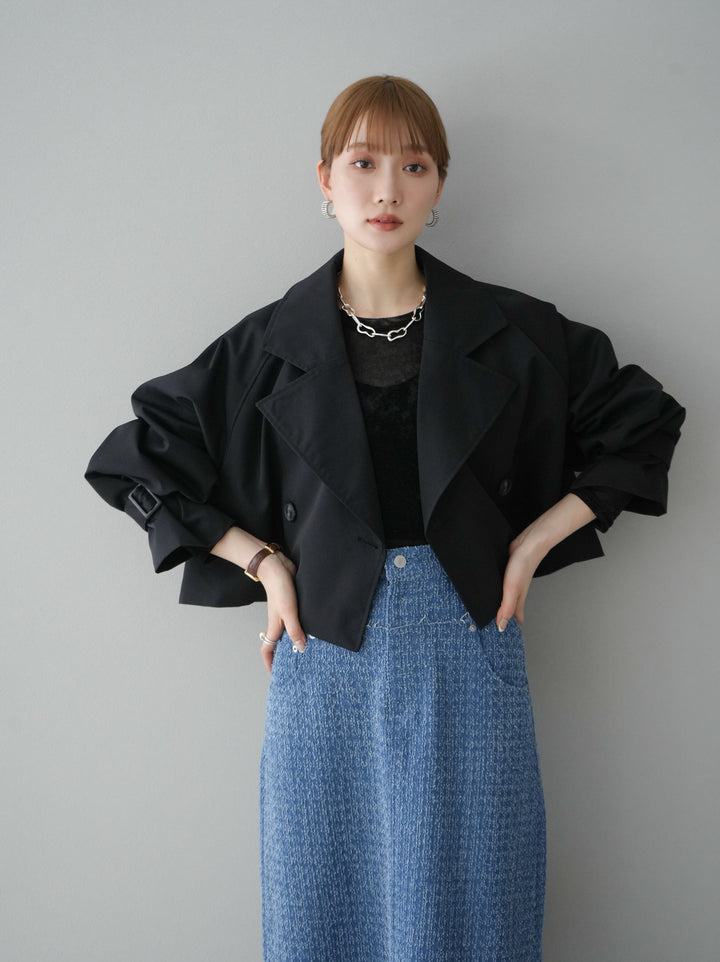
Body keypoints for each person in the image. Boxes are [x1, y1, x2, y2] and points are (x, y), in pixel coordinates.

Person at [85, 75, 685, 962]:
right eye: (363, 164)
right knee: (323, 918)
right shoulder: (268, 346)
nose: (387, 190)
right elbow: (132, 460)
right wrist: (262, 562)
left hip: (472, 650)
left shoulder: (512, 331)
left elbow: (643, 423)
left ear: (440, 185)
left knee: (477, 917)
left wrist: (532, 542)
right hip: (324, 655)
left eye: (414, 165)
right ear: (324, 180)